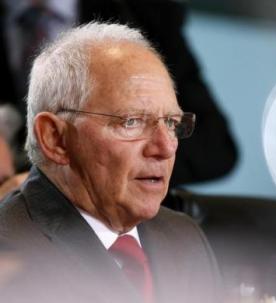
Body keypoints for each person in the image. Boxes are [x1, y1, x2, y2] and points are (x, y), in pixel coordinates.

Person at [0, 22, 222, 303]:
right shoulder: (10, 253)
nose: (165, 148)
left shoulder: (185, 239)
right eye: (131, 122)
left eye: (171, 122)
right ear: (55, 138)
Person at [0, 0, 237, 185]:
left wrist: (107, 170)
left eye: (130, 121)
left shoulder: (142, 11)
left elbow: (215, 147)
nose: (166, 146)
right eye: (131, 121)